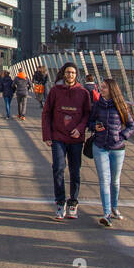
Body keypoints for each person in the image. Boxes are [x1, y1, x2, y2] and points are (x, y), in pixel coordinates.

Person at [42, 62, 91, 220]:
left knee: (75, 171)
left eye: (73, 73)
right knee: (58, 168)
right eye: (68, 72)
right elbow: (47, 113)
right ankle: (60, 201)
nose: (70, 75)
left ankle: (73, 202)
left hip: (76, 138)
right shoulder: (55, 91)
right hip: (58, 136)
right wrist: (47, 135)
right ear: (63, 74)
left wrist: (80, 129)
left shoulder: (83, 93)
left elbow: (87, 114)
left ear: (76, 75)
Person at [88, 77, 134, 226]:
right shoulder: (97, 105)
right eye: (101, 87)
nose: (101, 90)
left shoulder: (121, 106)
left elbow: (131, 126)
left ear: (112, 90)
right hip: (100, 146)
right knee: (104, 180)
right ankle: (106, 213)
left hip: (117, 148)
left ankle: (114, 208)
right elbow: (89, 122)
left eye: (104, 87)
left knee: (115, 181)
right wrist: (94, 126)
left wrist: (121, 136)